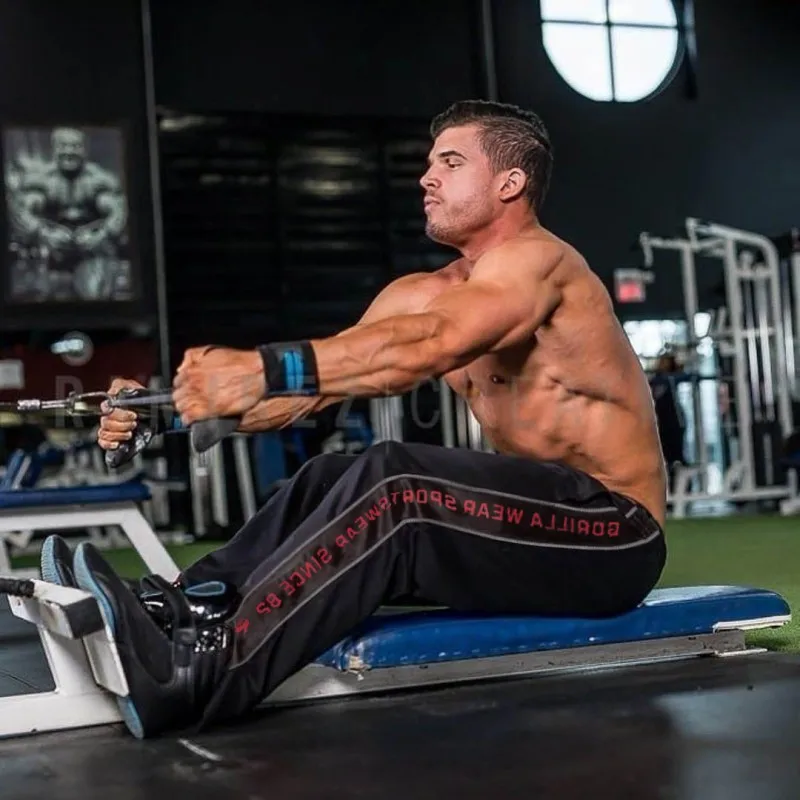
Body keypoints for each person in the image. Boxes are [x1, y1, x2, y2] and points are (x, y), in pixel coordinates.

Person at [43, 100, 668, 739]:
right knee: (328, 476)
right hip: (520, 533)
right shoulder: (424, 292)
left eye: (451, 163)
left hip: (612, 538)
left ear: (510, 183)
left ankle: (201, 674)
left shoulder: (542, 264)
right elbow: (303, 396)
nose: (427, 177)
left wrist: (264, 367)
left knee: (397, 484)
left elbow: (435, 343)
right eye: (430, 163)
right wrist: (164, 412)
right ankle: (179, 608)